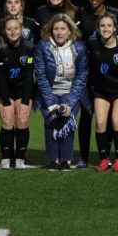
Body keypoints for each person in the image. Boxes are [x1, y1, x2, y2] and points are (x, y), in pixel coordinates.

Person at [34, 14, 89, 169]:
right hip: (49, 91)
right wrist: (50, 103)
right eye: (56, 29)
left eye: (63, 29)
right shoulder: (43, 46)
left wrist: (70, 103)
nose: (59, 32)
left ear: (70, 31)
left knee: (66, 120)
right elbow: (41, 75)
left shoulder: (79, 47)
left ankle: (65, 160)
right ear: (51, 31)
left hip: (70, 91)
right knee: (51, 121)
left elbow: (82, 75)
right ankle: (52, 159)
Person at [86, 13, 118, 172]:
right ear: (98, 28)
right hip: (101, 89)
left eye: (109, 26)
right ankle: (104, 160)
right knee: (100, 122)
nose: (105, 29)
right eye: (102, 26)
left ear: (115, 28)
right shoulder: (92, 43)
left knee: (116, 119)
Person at [0, 15, 34, 169]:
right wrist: (6, 102)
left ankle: (20, 158)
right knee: (7, 120)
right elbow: (0, 79)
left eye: (16, 28)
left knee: (22, 120)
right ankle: (6, 157)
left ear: (21, 29)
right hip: (5, 91)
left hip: (23, 90)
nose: (13, 32)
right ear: (4, 31)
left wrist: (25, 101)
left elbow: (30, 75)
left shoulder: (29, 48)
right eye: (9, 29)